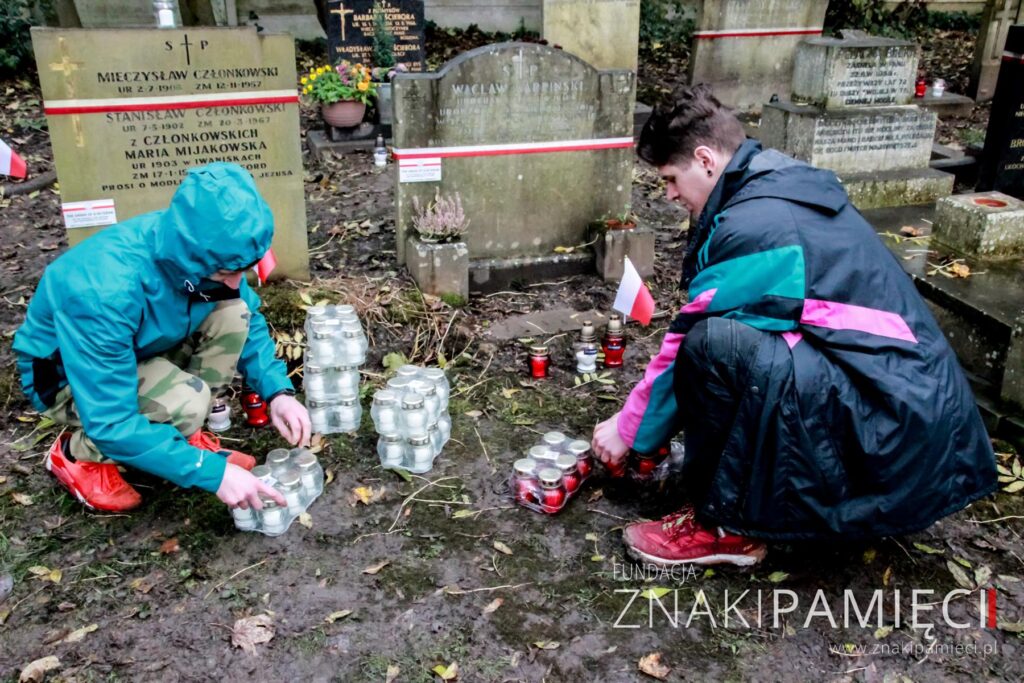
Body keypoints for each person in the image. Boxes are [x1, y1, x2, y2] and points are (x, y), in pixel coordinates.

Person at [591, 85, 997, 567]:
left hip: (895, 428)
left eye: (671, 179)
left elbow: (685, 338)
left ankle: (726, 527)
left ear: (704, 160)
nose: (670, 195)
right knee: (734, 343)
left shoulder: (760, 227)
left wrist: (630, 430)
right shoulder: (768, 184)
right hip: (893, 399)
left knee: (712, 346)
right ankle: (726, 486)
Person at [14, 162, 310, 512]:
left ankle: (178, 436)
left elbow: (248, 317)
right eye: (227, 273)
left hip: (141, 347)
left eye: (243, 270)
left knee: (234, 312)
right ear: (192, 258)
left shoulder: (201, 246)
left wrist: (277, 393)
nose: (236, 282)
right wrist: (211, 473)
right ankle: (77, 455)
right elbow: (111, 420)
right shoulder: (103, 292)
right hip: (67, 379)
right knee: (186, 403)